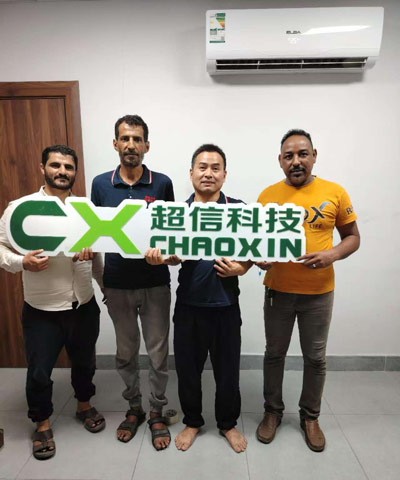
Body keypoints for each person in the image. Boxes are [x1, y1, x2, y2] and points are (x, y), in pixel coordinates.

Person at [256, 129, 360, 452]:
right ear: (280, 161)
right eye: (289, 156)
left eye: (303, 154)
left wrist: (332, 254)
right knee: (274, 354)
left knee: (315, 358)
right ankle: (272, 412)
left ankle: (310, 417)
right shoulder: (267, 196)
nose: (296, 161)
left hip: (319, 293)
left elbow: (353, 237)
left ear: (314, 155)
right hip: (278, 292)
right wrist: (259, 258)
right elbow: (255, 243)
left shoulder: (335, 192)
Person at [0, 145, 105, 460]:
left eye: (68, 167)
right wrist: (22, 262)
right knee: (39, 372)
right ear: (42, 168)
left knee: (85, 363)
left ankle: (84, 405)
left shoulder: (86, 209)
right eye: (56, 165)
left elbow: (97, 252)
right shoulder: (21, 209)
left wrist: (105, 288)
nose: (62, 171)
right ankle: (42, 422)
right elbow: (1, 247)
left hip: (83, 304)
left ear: (75, 172)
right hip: (42, 310)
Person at [146, 144, 252, 453]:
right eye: (202, 167)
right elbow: (168, 254)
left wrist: (242, 268)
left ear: (224, 175)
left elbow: (256, 251)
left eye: (215, 168)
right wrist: (162, 259)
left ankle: (227, 423)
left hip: (226, 306)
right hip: (189, 306)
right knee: (188, 371)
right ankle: (192, 421)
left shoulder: (239, 210)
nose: (208, 173)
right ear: (191, 173)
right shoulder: (177, 214)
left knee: (228, 372)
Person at [91, 115, 174, 450]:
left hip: (155, 284)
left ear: (146, 146)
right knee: (125, 354)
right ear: (115, 143)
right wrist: (101, 282)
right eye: (124, 138)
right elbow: (94, 235)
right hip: (117, 285)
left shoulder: (162, 183)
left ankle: (156, 411)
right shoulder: (100, 184)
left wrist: (165, 255)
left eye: (137, 139)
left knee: (158, 355)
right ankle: (134, 407)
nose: (130, 145)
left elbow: (172, 234)